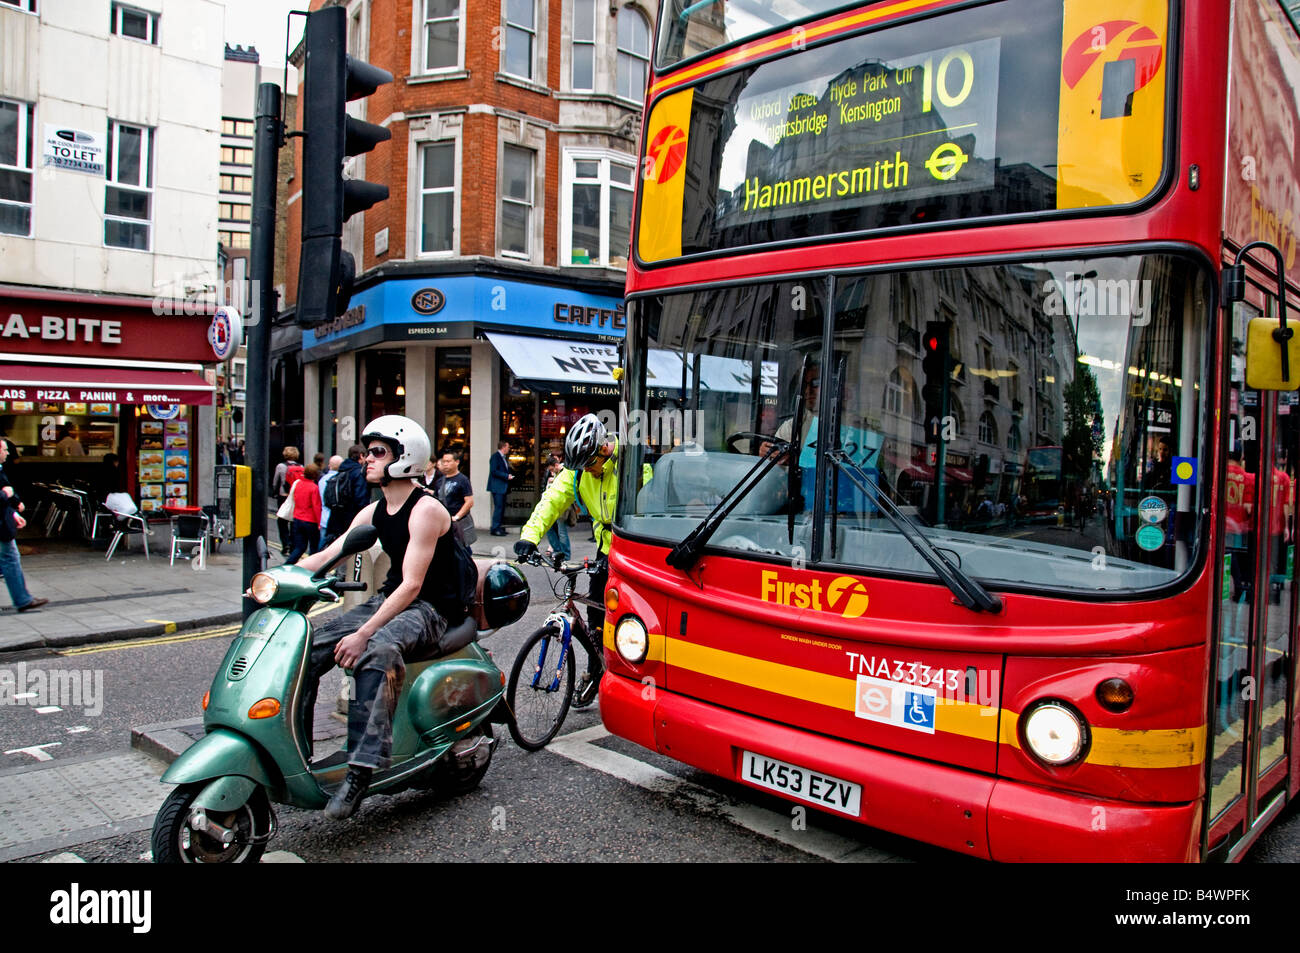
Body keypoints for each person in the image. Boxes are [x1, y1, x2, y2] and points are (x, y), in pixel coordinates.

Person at [292, 415, 467, 820]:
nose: (365, 458)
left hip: (430, 608)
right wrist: (279, 577)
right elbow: (328, 553)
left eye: (376, 452)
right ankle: (296, 751)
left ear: (404, 458)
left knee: (377, 649)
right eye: (366, 451)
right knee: (307, 647)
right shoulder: (376, 509)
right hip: (395, 599)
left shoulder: (425, 509)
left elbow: (411, 586)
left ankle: (360, 770)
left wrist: (364, 632)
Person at [514, 415, 623, 706]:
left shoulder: (628, 464)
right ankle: (595, 671)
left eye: (590, 463)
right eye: (581, 467)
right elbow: (550, 501)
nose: (587, 471)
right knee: (596, 615)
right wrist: (529, 537)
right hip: (604, 550)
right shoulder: (577, 473)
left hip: (633, 550)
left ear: (605, 449)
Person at [0, 437, 47, 612]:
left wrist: (12, 511)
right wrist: (6, 495)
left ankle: (23, 599)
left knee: (10, 559)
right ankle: (23, 599)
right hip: (2, 525)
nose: (8, 453)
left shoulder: (1, 468)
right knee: (10, 559)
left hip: (4, 520)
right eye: (5, 450)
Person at [321, 444, 368, 549]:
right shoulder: (358, 473)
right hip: (351, 520)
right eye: (365, 456)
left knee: (331, 549)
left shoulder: (341, 471)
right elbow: (361, 499)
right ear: (361, 456)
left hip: (335, 518)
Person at [432, 449, 475, 544]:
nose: (445, 464)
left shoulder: (463, 480)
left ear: (457, 462)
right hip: (443, 522)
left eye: (448, 461)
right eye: (444, 461)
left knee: (463, 551)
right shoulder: (439, 481)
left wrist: (457, 517)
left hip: (458, 523)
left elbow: (469, 501)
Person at [286, 463, 322, 563]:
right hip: (310, 521)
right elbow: (316, 507)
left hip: (297, 518)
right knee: (314, 548)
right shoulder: (314, 488)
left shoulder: (298, 484)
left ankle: (287, 565)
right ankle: (311, 569)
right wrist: (319, 523)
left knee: (300, 547)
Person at [542, 454, 570, 562]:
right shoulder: (556, 473)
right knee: (549, 529)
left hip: (561, 505)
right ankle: (558, 551)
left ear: (556, 464)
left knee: (562, 532)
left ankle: (565, 555)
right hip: (553, 504)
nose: (551, 471)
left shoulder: (564, 471)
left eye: (551, 469)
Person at [272, 446, 301, 556]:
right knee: (294, 521)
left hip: (283, 496)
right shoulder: (301, 467)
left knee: (282, 521)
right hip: (295, 496)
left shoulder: (281, 466)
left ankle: (286, 544)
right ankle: (293, 544)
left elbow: (276, 481)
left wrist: (274, 492)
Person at [487, 440, 513, 535]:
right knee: (498, 507)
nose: (509, 449)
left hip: (502, 487)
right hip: (497, 487)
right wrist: (506, 476)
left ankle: (499, 527)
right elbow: (494, 471)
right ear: (503, 447)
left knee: (501, 508)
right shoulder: (495, 457)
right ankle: (495, 528)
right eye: (508, 447)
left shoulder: (503, 458)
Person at [318, 454, 343, 544]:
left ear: (329, 465)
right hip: (337, 519)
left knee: (322, 544)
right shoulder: (343, 480)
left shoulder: (323, 480)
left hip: (324, 518)